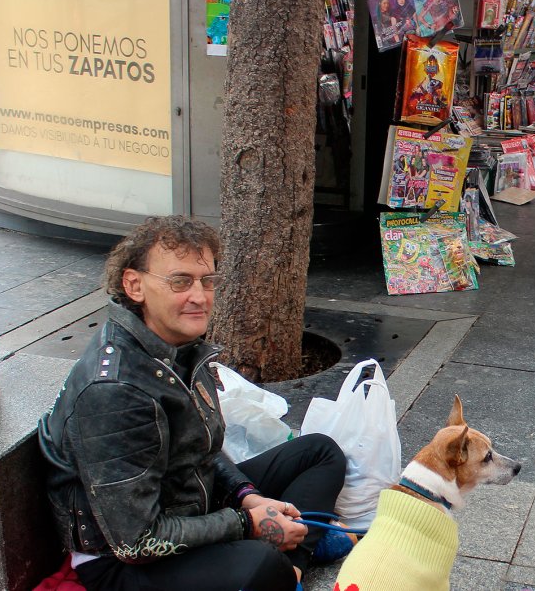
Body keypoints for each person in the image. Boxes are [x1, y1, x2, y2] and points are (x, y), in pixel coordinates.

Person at [39, 216, 348, 591]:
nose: (200, 297)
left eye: (207, 281)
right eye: (180, 282)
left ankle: (290, 568)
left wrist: (247, 497)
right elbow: (135, 542)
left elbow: (202, 450)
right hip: (122, 562)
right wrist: (248, 524)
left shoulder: (176, 347)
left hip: (189, 503)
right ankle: (285, 562)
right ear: (134, 285)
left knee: (320, 452)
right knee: (261, 562)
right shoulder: (116, 392)